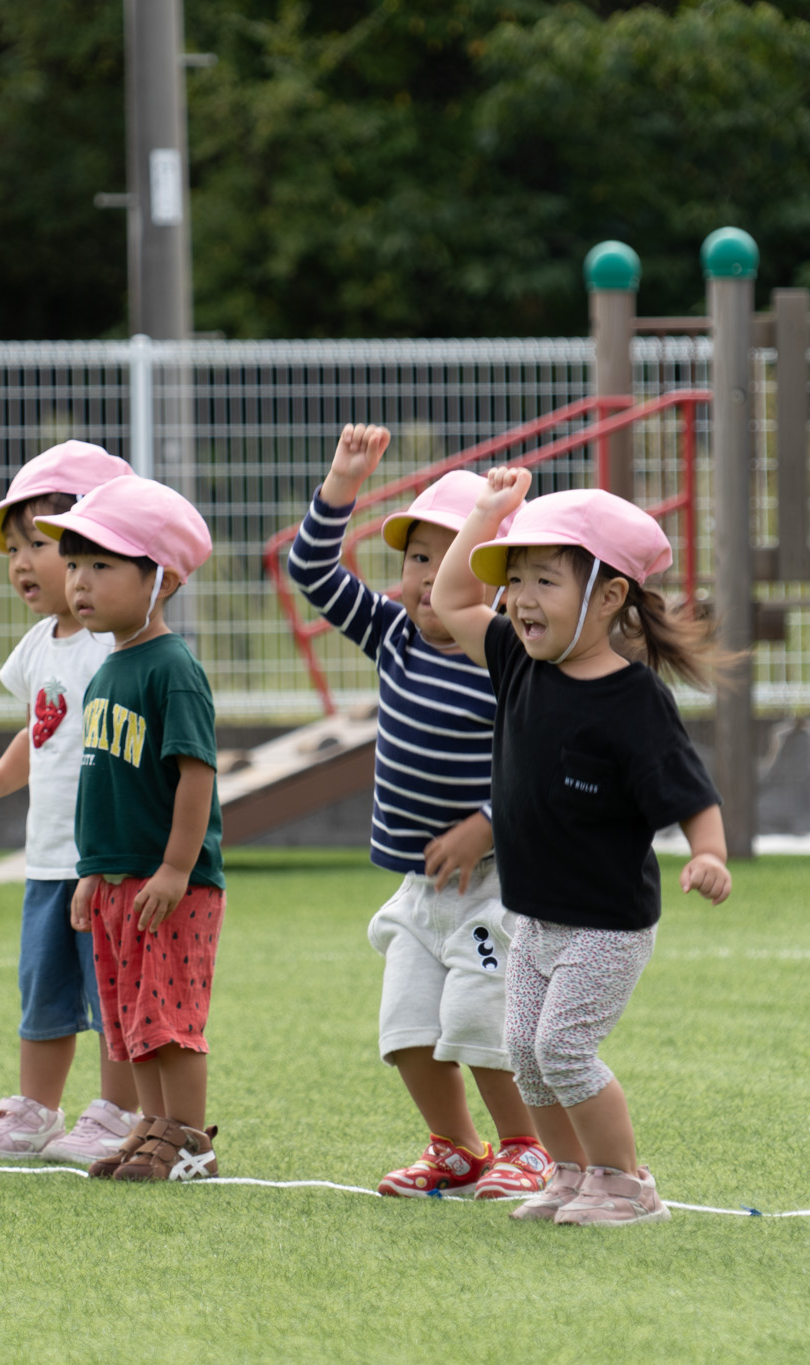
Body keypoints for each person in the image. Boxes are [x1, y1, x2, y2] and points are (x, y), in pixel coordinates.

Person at [433, 468, 732, 1226]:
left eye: (545, 580)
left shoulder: (634, 699)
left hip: (605, 923)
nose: (520, 598)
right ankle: (568, 1174)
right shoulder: (516, 661)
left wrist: (709, 853)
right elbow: (451, 600)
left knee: (563, 1049)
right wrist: (486, 513)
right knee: (525, 1052)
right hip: (534, 917)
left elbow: (689, 790)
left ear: (608, 596)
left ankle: (625, 1184)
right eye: (515, 580)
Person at [287, 425, 548, 1199]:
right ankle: (456, 1148)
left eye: (452, 558)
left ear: (494, 580)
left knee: (479, 1017)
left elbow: (543, 766)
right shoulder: (392, 633)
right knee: (406, 1028)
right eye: (418, 559)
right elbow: (311, 569)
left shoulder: (509, 657)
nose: (429, 579)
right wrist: (343, 482)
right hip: (419, 886)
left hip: (495, 883)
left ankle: (528, 1146)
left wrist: (486, 823)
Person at [0, 441, 143, 1164]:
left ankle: (118, 1111)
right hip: (47, 861)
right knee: (44, 991)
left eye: (41, 544)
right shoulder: (39, 645)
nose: (22, 563)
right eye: (14, 549)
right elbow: (40, 729)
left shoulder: (119, 647)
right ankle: (36, 1110)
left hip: (108, 862)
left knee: (113, 993)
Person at [32, 475, 225, 1182]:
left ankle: (190, 1139)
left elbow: (196, 774)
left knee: (170, 1016)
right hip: (117, 880)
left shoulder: (172, 668)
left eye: (101, 565)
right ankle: (152, 1125)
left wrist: (175, 868)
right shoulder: (109, 667)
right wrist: (92, 870)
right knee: (130, 1018)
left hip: (171, 884)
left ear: (161, 579)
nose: (78, 582)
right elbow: (100, 783)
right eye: (73, 565)